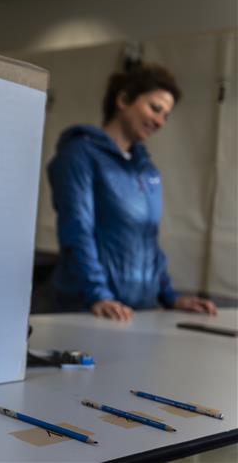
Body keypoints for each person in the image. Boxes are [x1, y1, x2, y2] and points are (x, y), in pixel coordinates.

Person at [46, 64, 217, 321]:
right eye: (155, 108)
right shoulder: (80, 154)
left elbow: (148, 240)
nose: (160, 122)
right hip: (89, 308)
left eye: (166, 116)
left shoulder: (147, 170)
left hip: (137, 312)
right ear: (124, 99)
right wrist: (98, 295)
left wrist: (170, 296)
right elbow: (77, 229)